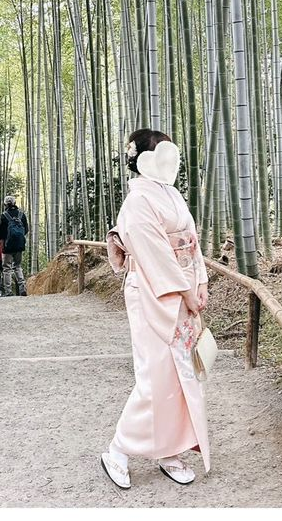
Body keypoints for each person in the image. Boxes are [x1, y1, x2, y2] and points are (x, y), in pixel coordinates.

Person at [101, 129, 211, 490]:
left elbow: (191, 242)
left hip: (180, 291)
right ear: (144, 160)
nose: (172, 162)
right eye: (164, 155)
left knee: (181, 375)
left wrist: (201, 282)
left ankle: (169, 450)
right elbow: (154, 254)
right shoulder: (137, 203)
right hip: (153, 292)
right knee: (155, 376)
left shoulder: (172, 194)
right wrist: (185, 291)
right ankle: (119, 449)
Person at [0, 195, 29, 297]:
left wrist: (3, 239)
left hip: (7, 246)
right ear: (15, 203)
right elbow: (26, 230)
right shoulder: (21, 214)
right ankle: (22, 287)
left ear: (5, 204)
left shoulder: (3, 215)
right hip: (19, 245)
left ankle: (8, 291)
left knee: (7, 268)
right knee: (18, 266)